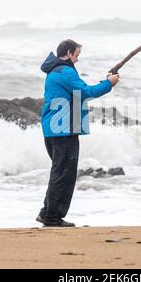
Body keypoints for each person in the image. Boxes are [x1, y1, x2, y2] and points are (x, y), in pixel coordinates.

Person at [36, 39, 120, 227]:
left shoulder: (55, 71)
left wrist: (106, 81)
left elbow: (78, 91)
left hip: (55, 129)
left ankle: (47, 213)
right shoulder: (64, 72)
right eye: (77, 55)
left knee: (60, 172)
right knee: (64, 174)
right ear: (69, 52)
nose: (77, 60)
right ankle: (51, 218)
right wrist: (109, 84)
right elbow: (85, 92)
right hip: (63, 129)